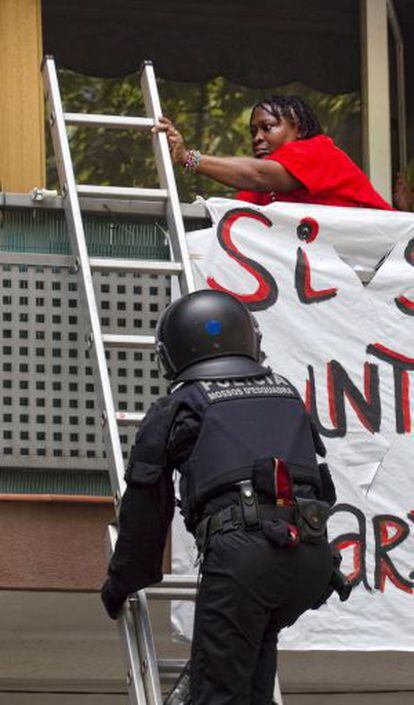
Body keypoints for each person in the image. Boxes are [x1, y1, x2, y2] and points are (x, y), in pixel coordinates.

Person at [101, 289, 341, 705]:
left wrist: (121, 583)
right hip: (311, 560)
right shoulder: (285, 394)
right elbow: (316, 482)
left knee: (219, 693)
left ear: (172, 354)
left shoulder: (178, 406)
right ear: (251, 340)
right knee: (252, 677)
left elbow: (145, 508)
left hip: (243, 562)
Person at [154, 94, 393, 210]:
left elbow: (256, 175)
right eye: (253, 132)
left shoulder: (317, 150)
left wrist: (188, 158)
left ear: (297, 126)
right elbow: (236, 216)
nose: (258, 138)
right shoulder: (268, 187)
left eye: (268, 128)